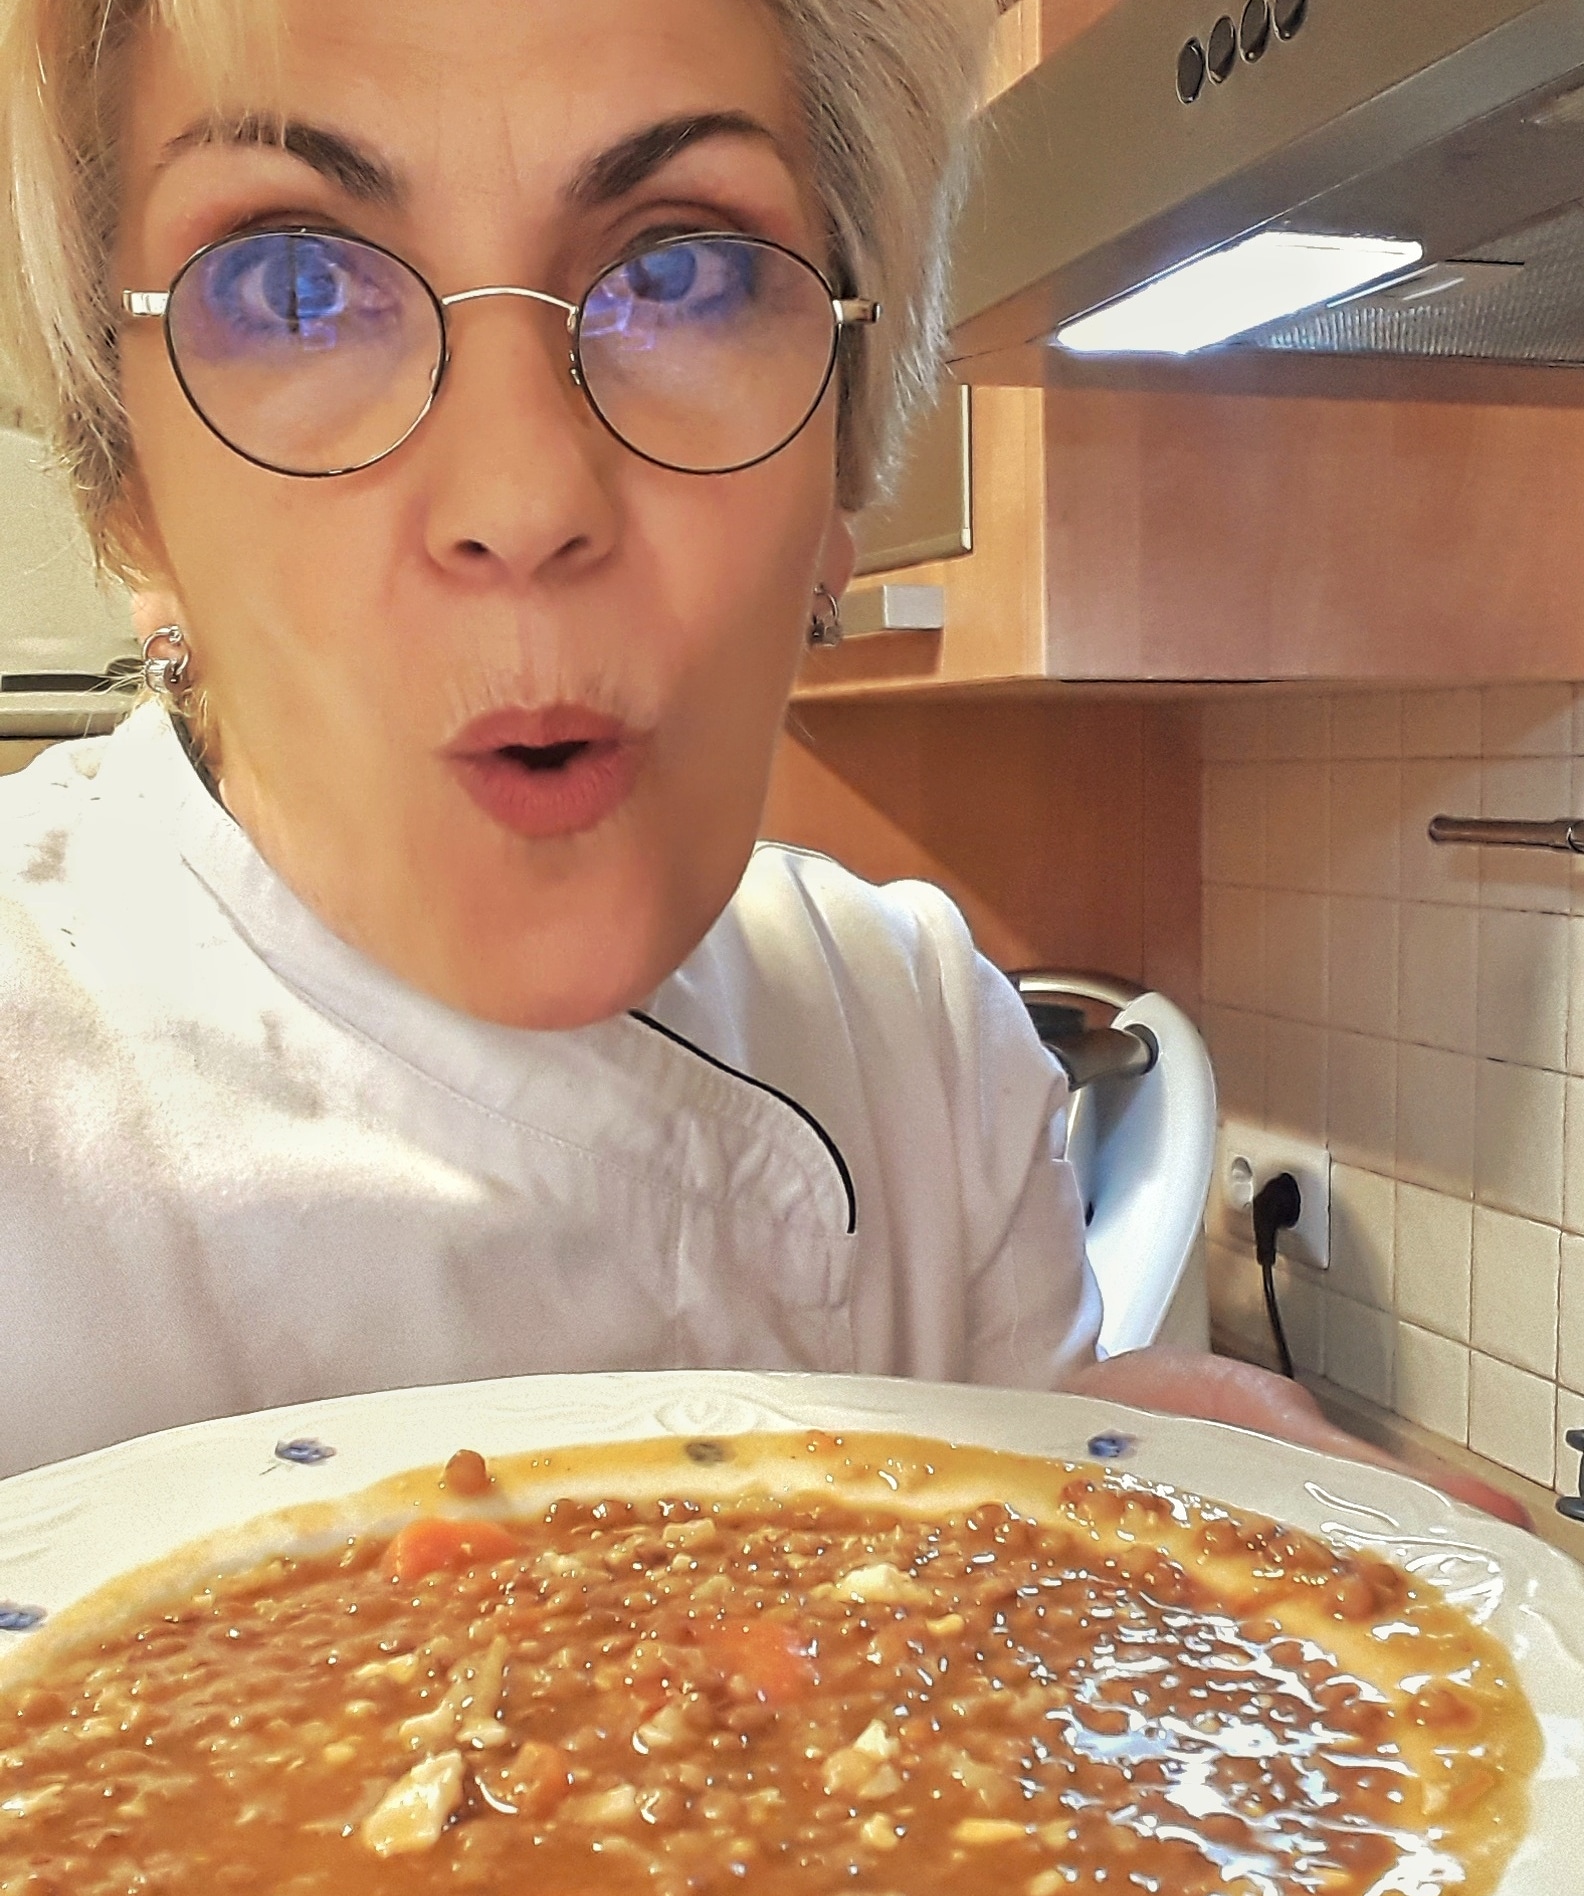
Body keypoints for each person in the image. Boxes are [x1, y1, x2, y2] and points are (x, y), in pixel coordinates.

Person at [0, 0, 1522, 1522]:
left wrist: (1118, 1513)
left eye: (681, 273)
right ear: (128, 493)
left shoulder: (918, 1048)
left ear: (840, 479)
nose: (525, 498)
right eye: (295, 286)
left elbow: (1000, 1579)